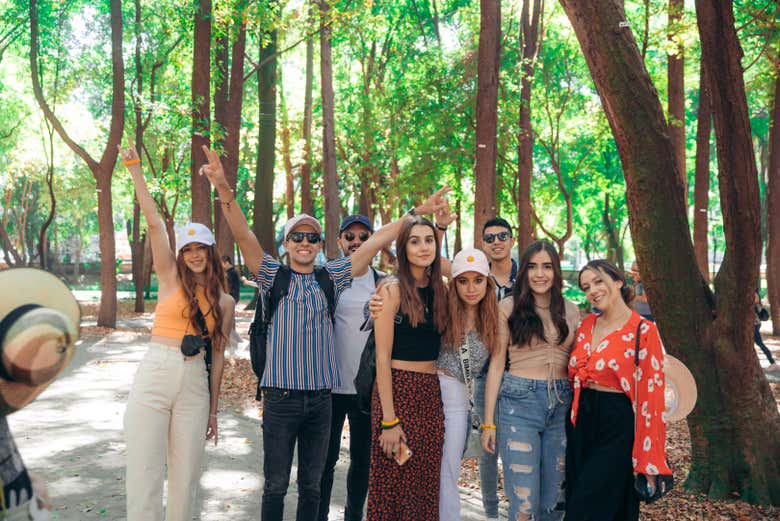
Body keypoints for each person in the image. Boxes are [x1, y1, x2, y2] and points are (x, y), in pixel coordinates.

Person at [199, 144, 449, 521]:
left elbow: (378, 239)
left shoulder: (332, 276)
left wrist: (416, 214)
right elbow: (243, 232)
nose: (304, 242)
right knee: (276, 484)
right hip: (281, 398)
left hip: (321, 400)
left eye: (312, 237)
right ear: (286, 245)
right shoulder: (272, 275)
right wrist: (223, 189)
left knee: (313, 486)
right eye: (297, 236)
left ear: (320, 246)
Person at [121, 144, 234, 521]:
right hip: (155, 371)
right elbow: (154, 223)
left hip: (193, 384)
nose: (195, 255)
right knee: (144, 471)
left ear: (212, 252)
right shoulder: (169, 279)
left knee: (186, 479)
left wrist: (214, 410)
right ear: (181, 254)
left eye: (202, 248)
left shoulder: (225, 302)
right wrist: (135, 169)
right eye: (188, 249)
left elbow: (218, 357)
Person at [481, 240, 580, 521]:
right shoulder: (508, 306)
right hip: (518, 406)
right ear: (524, 271)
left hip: (562, 406)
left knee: (554, 505)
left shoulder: (572, 311)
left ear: (556, 271)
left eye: (547, 267)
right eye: (533, 267)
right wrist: (488, 422)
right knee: (524, 505)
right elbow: (497, 363)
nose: (540, 274)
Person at [566, 260, 672, 521]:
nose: (592, 290)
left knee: (586, 509)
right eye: (586, 287)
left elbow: (651, 397)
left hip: (618, 425)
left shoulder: (644, 331)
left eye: (598, 281)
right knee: (588, 503)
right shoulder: (586, 325)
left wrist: (649, 459)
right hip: (580, 423)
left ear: (618, 280)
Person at [367, 216, 449, 521]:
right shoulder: (391, 290)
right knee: (393, 482)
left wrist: (440, 230)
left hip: (429, 396)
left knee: (424, 485)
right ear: (403, 248)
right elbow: (382, 357)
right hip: (397, 392)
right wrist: (389, 420)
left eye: (429, 240)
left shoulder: (441, 288)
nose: (423, 247)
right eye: (414, 241)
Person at [318, 214, 383, 521]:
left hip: (366, 390)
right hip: (330, 387)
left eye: (364, 236)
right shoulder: (329, 279)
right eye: (350, 236)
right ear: (339, 241)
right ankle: (318, 514)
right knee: (324, 461)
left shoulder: (383, 282)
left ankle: (353, 516)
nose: (357, 242)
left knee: (362, 461)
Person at [436, 248, 499, 520]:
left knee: (448, 470)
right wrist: (437, 226)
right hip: (424, 391)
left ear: (488, 281)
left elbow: (495, 369)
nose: (471, 288)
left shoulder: (497, 319)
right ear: (453, 282)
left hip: (457, 399)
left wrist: (488, 422)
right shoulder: (441, 308)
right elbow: (427, 259)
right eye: (463, 280)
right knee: (415, 466)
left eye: (478, 280)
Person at [476, 216, 517, 521]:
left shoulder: (528, 277)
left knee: (518, 445)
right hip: (483, 371)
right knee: (487, 447)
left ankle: (520, 509)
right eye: (489, 238)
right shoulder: (477, 277)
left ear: (512, 240)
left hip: (521, 372)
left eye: (502, 236)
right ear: (483, 244)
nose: (496, 242)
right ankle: (491, 512)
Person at [221, 256, 242, 348]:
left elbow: (230, 286)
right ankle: (232, 338)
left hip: (232, 296)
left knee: (230, 318)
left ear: (226, 262)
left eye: (222, 263)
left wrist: (228, 295)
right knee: (230, 318)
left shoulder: (231, 272)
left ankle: (232, 339)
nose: (221, 265)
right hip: (233, 296)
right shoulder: (230, 272)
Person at [754, 289, 778, 370]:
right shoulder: (754, 294)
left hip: (754, 324)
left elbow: (757, 308)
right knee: (758, 344)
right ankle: (772, 363)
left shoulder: (754, 295)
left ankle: (773, 363)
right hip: (755, 324)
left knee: (760, 344)